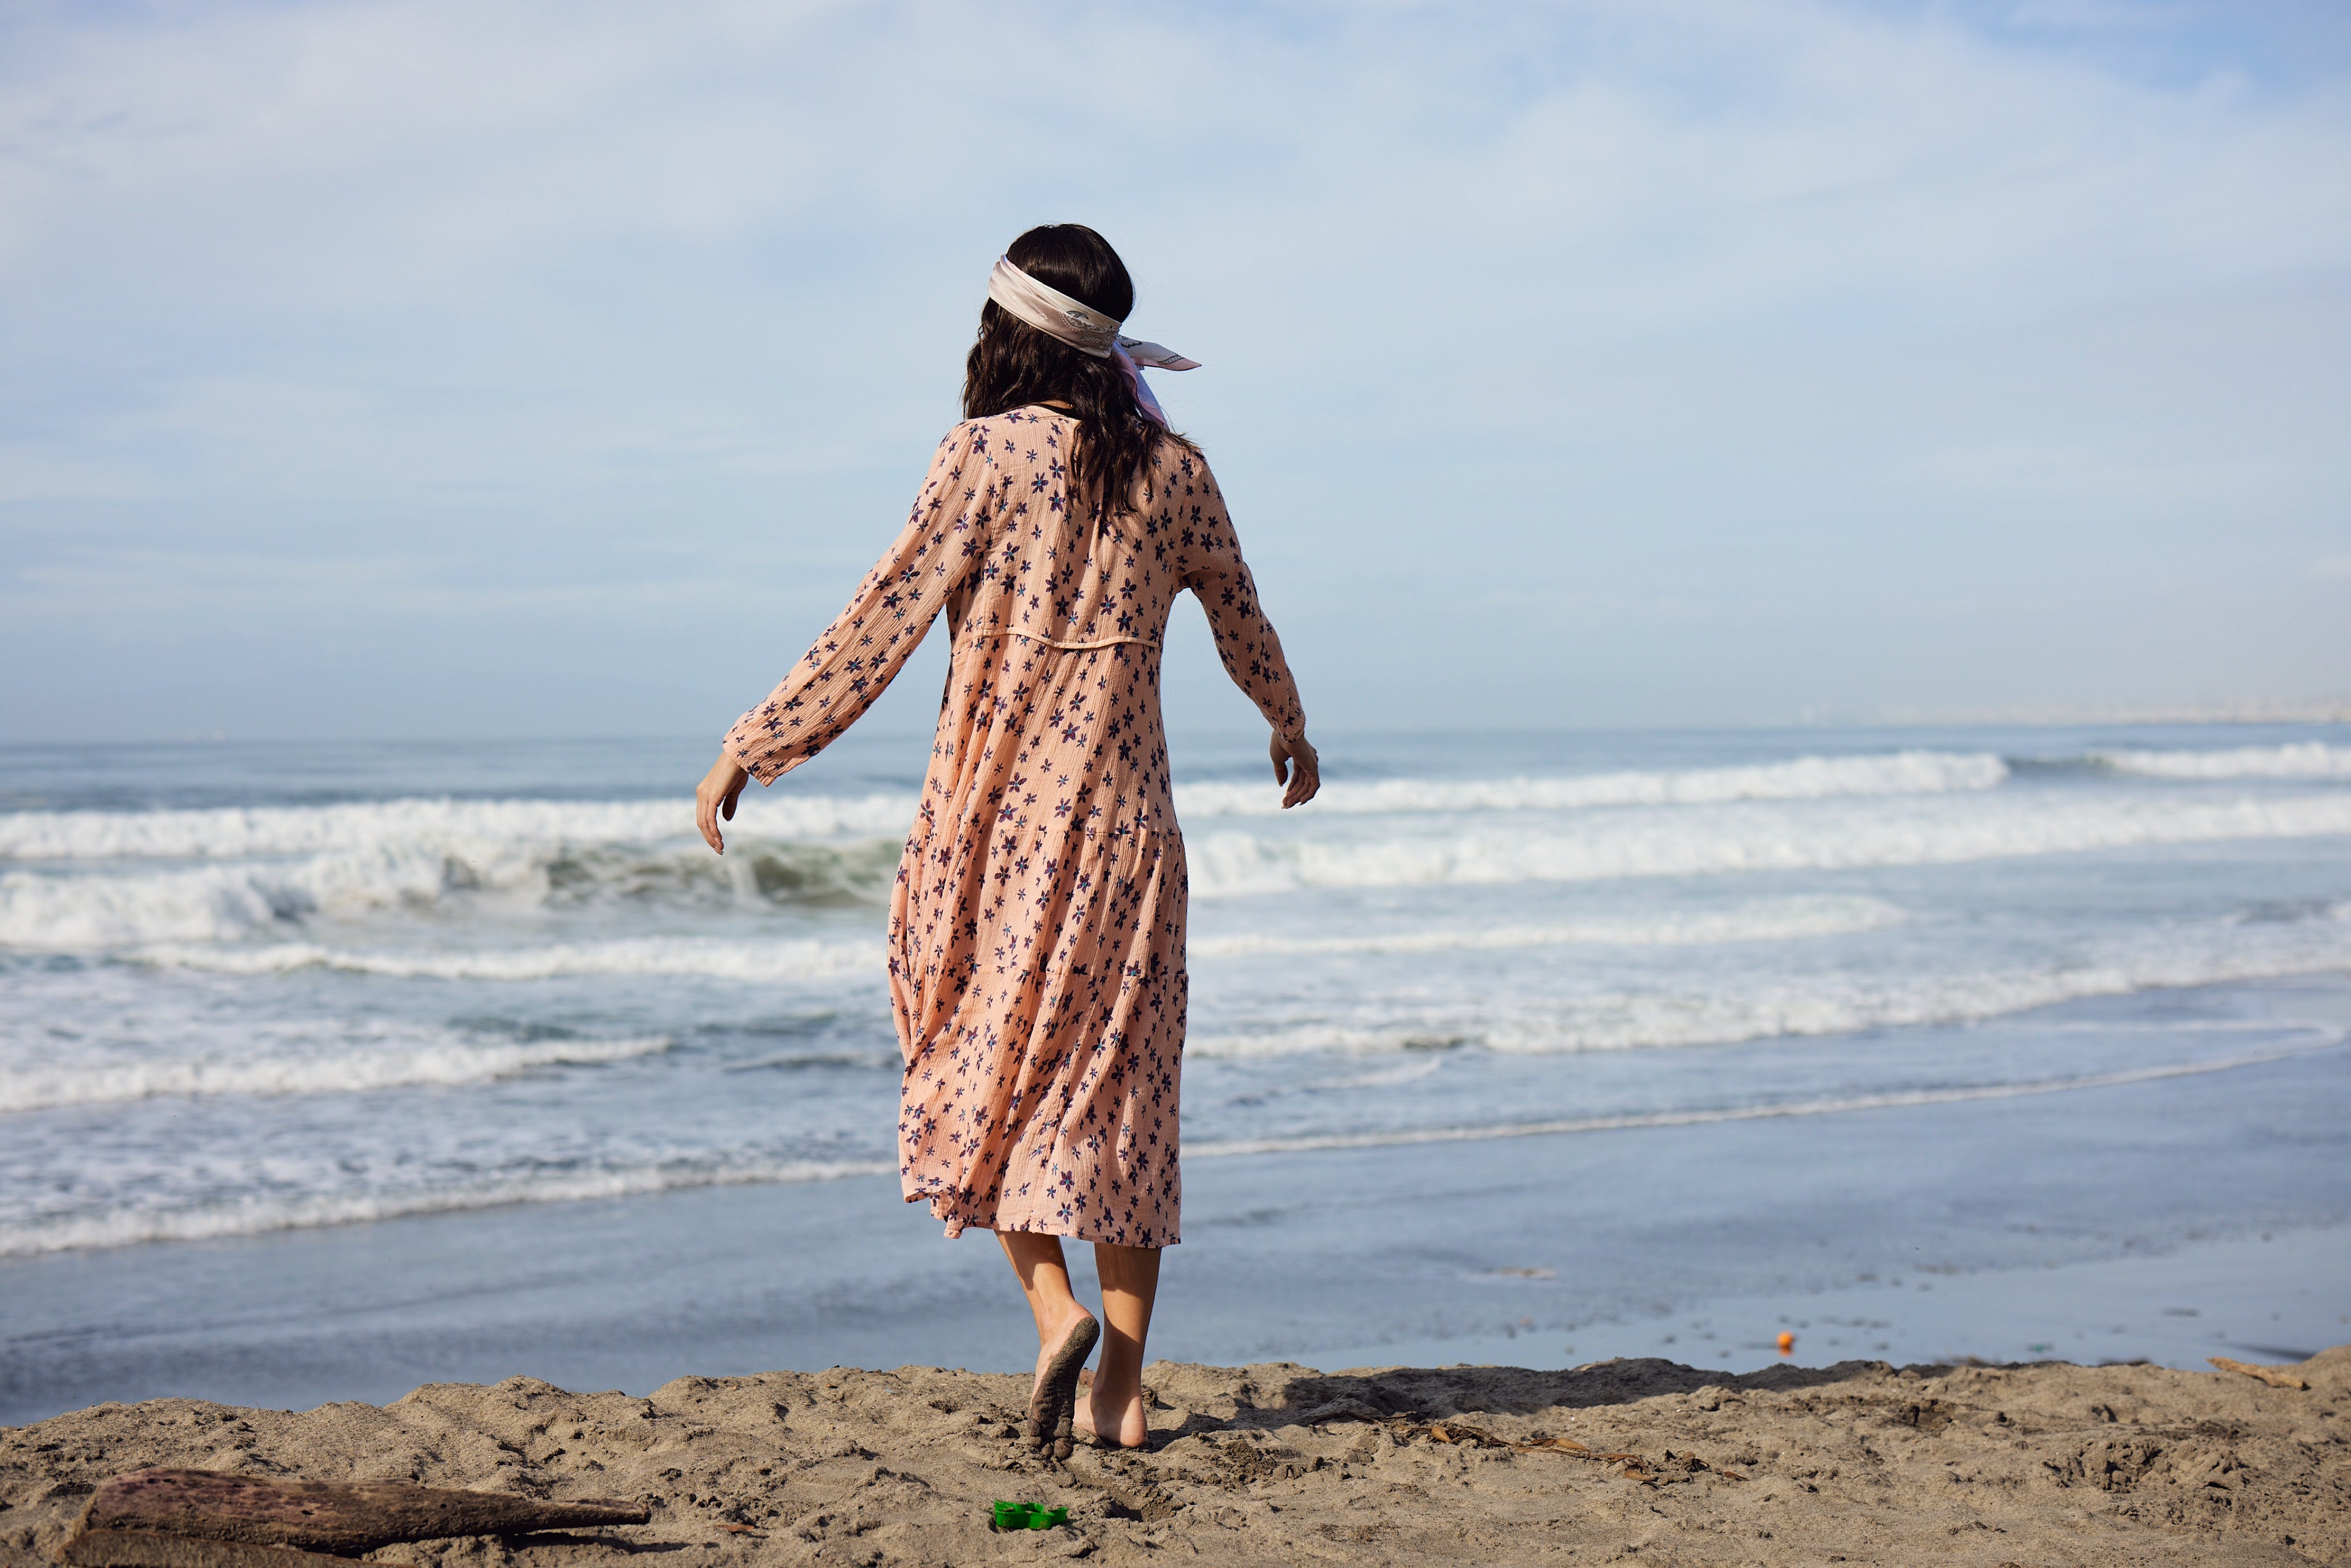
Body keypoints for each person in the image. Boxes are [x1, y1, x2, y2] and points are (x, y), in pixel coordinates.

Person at [694, 223, 1316, 1457]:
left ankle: (1052, 1313)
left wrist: (754, 744)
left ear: (1006, 332)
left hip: (994, 829)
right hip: (1129, 835)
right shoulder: (1178, 472)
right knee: (1120, 1105)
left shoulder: (976, 458)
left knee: (966, 1075)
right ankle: (1123, 1394)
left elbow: (881, 618)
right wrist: (1288, 724)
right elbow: (1241, 611)